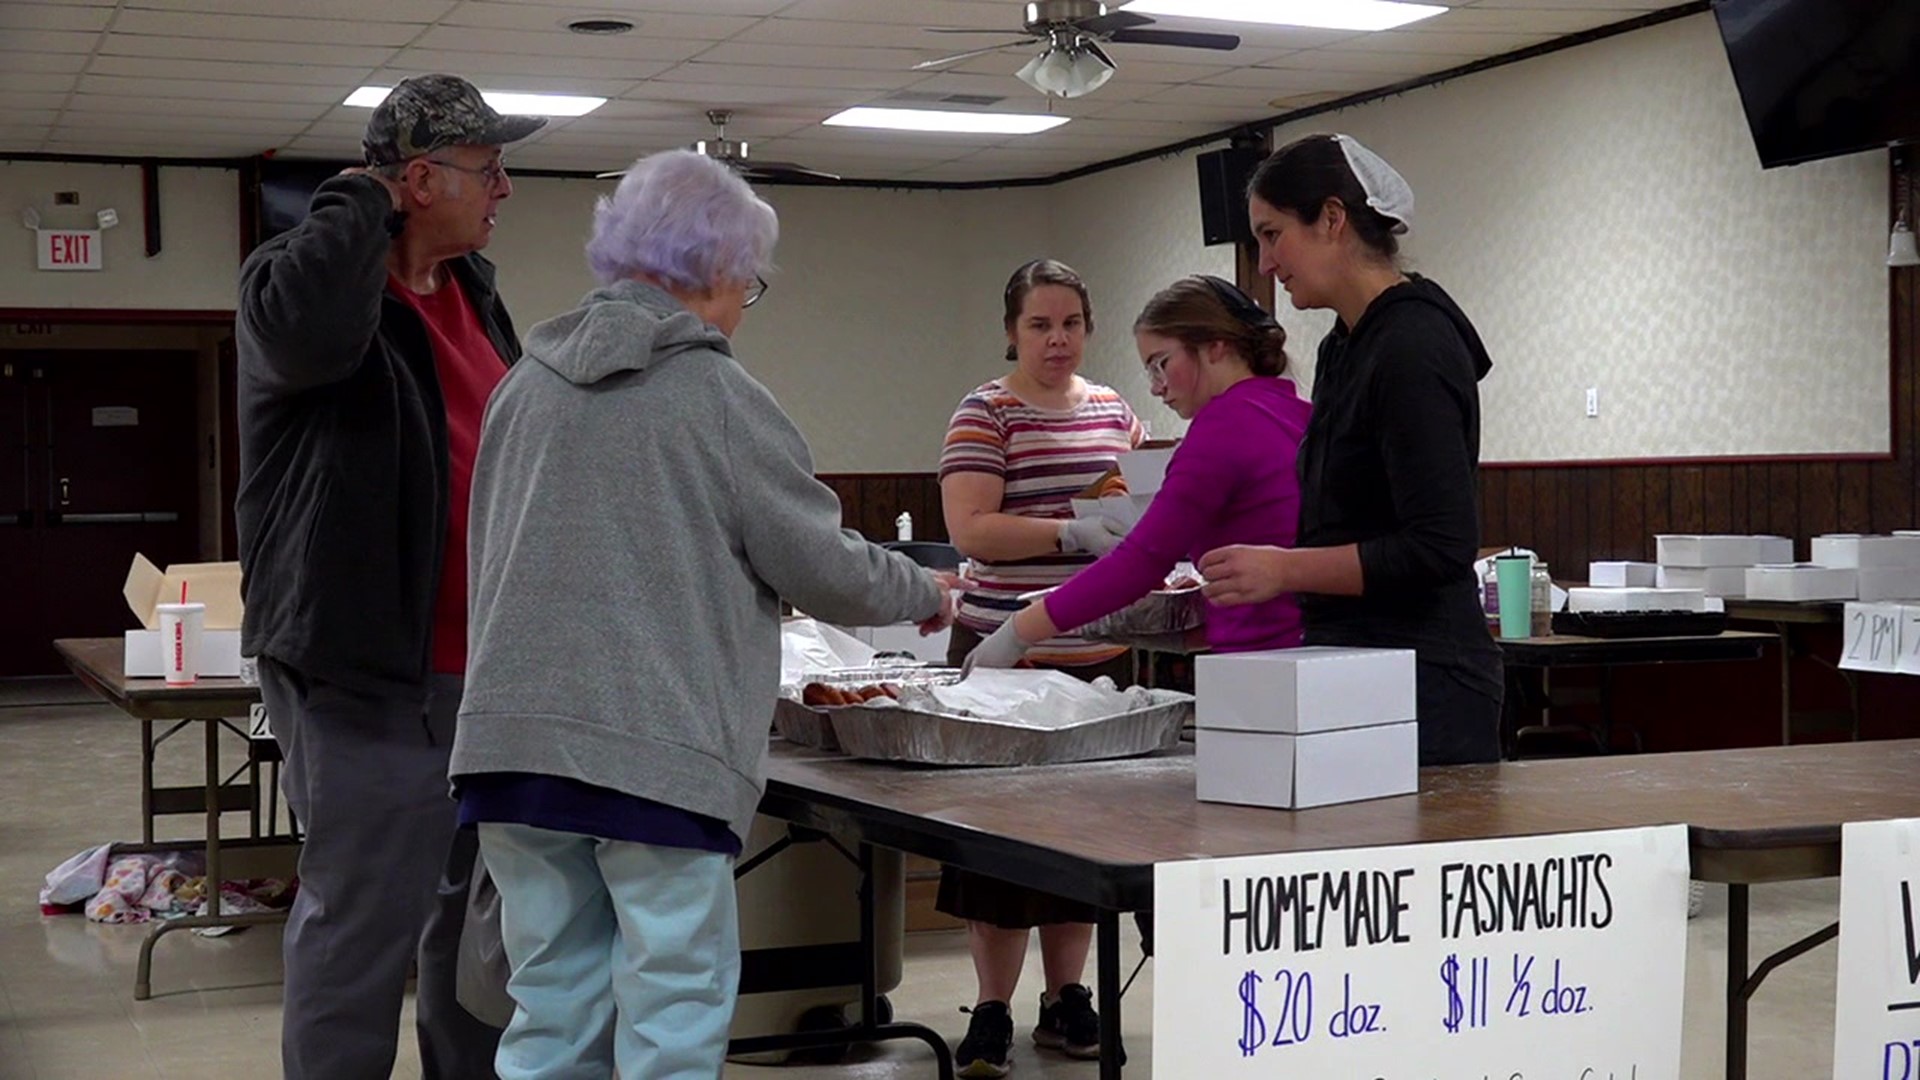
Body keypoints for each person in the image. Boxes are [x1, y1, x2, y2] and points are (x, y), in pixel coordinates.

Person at [448, 148, 958, 1080]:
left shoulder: (521, 388)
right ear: (719, 268)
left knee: (550, 1007)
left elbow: (487, 556)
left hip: (512, 751)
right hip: (655, 754)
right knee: (671, 1011)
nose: (741, 308)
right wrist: (926, 590)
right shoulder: (716, 394)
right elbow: (821, 565)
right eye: (748, 285)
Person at [235, 73, 538, 1079]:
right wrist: (355, 198)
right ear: (417, 178)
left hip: (482, 668)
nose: (504, 190)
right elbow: (311, 340)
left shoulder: (475, 291)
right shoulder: (303, 284)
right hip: (367, 666)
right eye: (487, 170)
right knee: (360, 923)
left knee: (471, 929)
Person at [1198, 132, 1504, 766]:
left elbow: (1440, 545)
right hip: (1358, 667)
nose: (1265, 263)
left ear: (1332, 219)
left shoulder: (1412, 346)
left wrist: (1283, 570)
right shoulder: (1344, 344)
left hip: (1427, 681)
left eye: (1273, 233)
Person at [937, 257, 1143, 1076]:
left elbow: (1132, 510)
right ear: (1012, 331)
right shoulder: (985, 412)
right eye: (1039, 325)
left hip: (1097, 659)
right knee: (995, 847)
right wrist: (1066, 534)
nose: (1057, 340)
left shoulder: (1116, 411)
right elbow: (971, 530)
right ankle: (991, 1008)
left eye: (1070, 324)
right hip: (1002, 659)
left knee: (1084, 845)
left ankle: (1068, 997)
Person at [963, 274, 1311, 669]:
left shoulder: (1221, 427)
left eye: (1161, 364)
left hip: (1261, 660)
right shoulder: (1293, 410)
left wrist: (1017, 631)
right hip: (1312, 648)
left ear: (1216, 347)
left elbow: (1142, 561)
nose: (1156, 388)